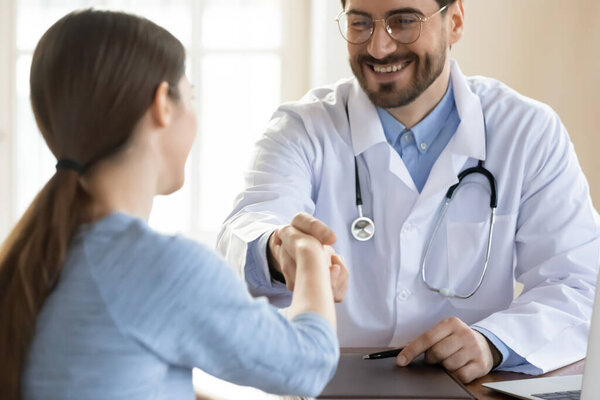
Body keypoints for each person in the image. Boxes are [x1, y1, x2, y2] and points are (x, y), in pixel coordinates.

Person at [217, 0, 600, 384]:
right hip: (329, 386)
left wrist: (493, 342)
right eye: (360, 23)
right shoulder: (302, 128)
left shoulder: (527, 131)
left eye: (404, 22)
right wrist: (278, 247)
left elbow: (580, 282)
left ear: (456, 22)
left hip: (470, 388)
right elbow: (250, 223)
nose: (378, 48)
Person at [0, 9, 341, 400]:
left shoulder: (45, 255)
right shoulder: (155, 265)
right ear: (163, 103)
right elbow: (309, 364)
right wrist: (309, 250)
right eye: (190, 96)